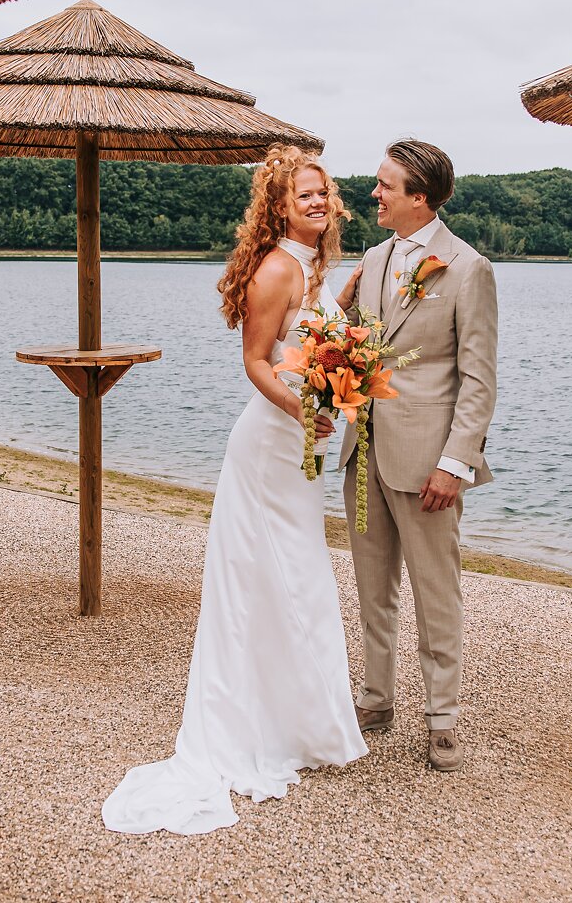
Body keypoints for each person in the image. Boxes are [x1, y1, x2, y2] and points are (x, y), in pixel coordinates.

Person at [102, 144, 366, 835]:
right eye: (301, 195)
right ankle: (263, 727)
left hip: (299, 449)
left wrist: (344, 330)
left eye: (322, 193)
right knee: (274, 579)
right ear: (278, 207)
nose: (314, 202)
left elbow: (301, 341)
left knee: (295, 579)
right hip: (271, 447)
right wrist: (307, 411)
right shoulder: (278, 268)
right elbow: (255, 362)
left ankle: (296, 721)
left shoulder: (313, 270)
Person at [335, 139, 498, 772]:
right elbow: (357, 349)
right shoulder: (373, 259)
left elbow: (478, 379)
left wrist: (455, 464)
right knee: (372, 589)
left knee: (437, 594)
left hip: (429, 461)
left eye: (385, 186)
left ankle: (443, 723)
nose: (373, 194)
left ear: (419, 197)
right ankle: (375, 702)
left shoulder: (468, 268)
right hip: (364, 451)